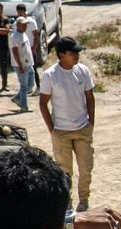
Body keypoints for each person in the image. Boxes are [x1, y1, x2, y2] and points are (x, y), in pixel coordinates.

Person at [39, 36, 97, 212]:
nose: (77, 56)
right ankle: (67, 202)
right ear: (62, 54)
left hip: (82, 129)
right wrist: (52, 130)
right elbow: (43, 103)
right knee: (64, 172)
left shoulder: (83, 71)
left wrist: (91, 123)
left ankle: (84, 199)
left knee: (86, 167)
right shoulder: (50, 75)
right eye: (73, 53)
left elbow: (90, 98)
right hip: (61, 132)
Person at [8, 17, 36, 112]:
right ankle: (24, 107)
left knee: (31, 84)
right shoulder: (14, 37)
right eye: (23, 24)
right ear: (18, 25)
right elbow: (15, 52)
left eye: (26, 24)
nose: (25, 26)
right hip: (21, 65)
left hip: (29, 63)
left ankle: (17, 98)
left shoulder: (24, 34)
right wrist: (20, 65)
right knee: (24, 86)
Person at [15, 2, 41, 89]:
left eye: (21, 12)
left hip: (30, 49)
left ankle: (38, 87)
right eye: (18, 12)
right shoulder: (17, 23)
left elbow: (36, 36)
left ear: (25, 11)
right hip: (22, 50)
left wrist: (34, 47)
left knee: (33, 68)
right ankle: (27, 87)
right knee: (23, 69)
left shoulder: (31, 22)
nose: (19, 14)